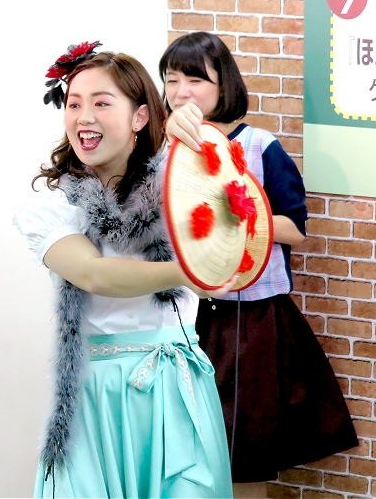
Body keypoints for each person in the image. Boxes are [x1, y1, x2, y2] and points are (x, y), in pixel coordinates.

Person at [13, 42, 234, 498]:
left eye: (101, 104)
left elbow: (224, 202)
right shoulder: (54, 208)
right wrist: (188, 272)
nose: (84, 117)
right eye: (74, 104)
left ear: (139, 117)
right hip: (99, 397)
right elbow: (94, 275)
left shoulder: (178, 186)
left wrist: (186, 132)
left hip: (178, 388)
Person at [160, 31, 359, 498]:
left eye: (195, 80)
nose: (182, 92)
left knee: (245, 455)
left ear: (223, 85)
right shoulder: (162, 151)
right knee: (183, 451)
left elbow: (297, 228)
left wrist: (240, 214)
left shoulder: (259, 146)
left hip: (249, 321)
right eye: (171, 80)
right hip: (181, 315)